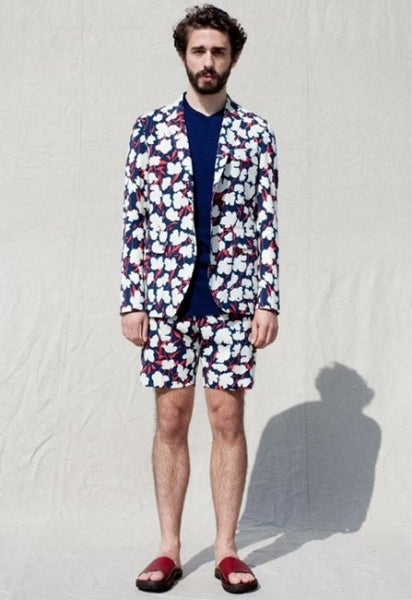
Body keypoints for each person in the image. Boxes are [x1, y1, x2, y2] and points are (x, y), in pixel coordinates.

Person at [120, 4, 279, 594]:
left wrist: (268, 300)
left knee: (226, 419)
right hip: (165, 300)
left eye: (217, 51)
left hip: (234, 300)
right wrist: (131, 299)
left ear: (232, 58)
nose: (207, 61)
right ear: (184, 56)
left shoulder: (256, 133)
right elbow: (135, 220)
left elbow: (266, 222)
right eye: (198, 51)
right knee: (170, 419)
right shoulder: (149, 130)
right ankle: (168, 547)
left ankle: (227, 550)